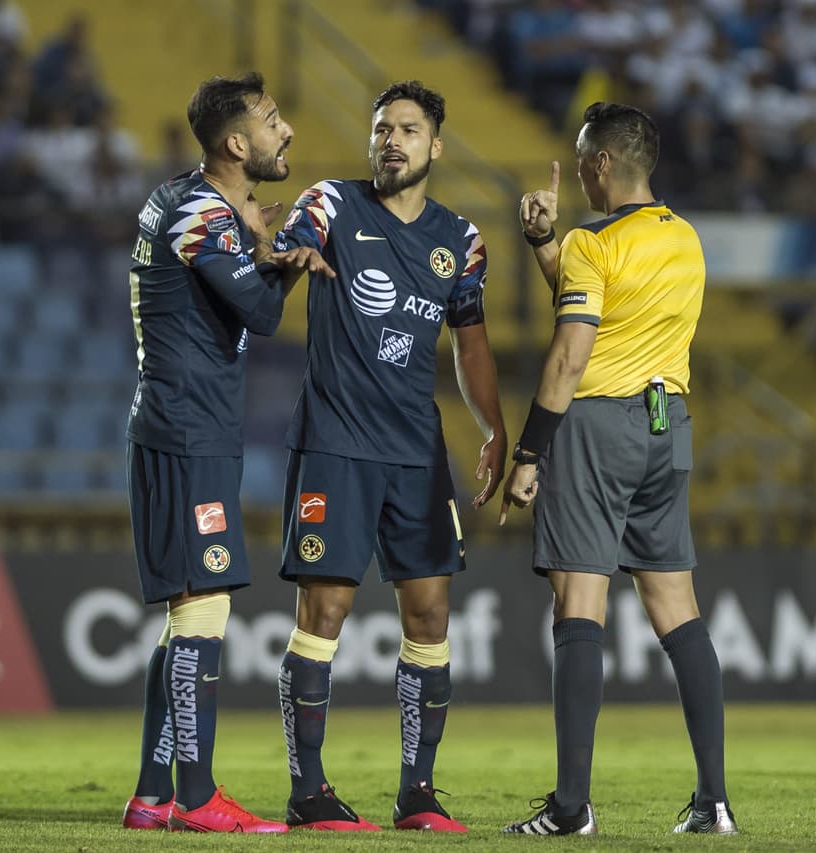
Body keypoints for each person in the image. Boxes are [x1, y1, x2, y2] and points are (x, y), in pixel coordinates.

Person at [271, 80, 507, 833]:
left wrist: (495, 429)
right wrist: (285, 253)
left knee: (431, 615)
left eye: (407, 129)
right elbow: (285, 241)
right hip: (336, 443)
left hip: (415, 451)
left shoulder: (462, 240)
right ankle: (309, 793)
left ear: (436, 145)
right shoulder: (331, 205)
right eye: (381, 129)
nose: (390, 141)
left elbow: (469, 344)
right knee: (326, 610)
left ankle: (418, 792)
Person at [498, 102, 737, 836]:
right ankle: (713, 801)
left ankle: (571, 807)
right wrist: (546, 241)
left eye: (580, 162)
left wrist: (529, 452)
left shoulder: (592, 241)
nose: (576, 173)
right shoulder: (685, 236)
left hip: (597, 428)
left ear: (601, 164)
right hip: (668, 426)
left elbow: (573, 351)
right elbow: (608, 313)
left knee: (578, 604)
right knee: (678, 608)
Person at [120, 72, 328, 834]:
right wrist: (289, 255)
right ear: (237, 143)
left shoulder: (180, 197)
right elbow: (264, 314)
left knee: (186, 616)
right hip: (186, 430)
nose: (287, 132)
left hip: (183, 425)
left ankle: (152, 794)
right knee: (203, 608)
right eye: (274, 121)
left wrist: (252, 239)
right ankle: (199, 798)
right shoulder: (204, 216)